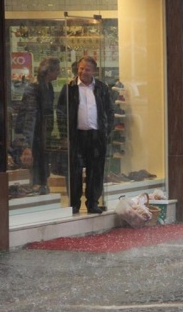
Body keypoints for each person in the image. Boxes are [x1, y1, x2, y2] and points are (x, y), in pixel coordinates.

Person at [57, 56, 114, 214]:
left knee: (95, 170)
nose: (83, 72)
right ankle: (74, 203)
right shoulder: (69, 88)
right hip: (76, 136)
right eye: (81, 68)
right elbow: (61, 113)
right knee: (74, 170)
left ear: (94, 70)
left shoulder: (102, 88)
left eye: (87, 69)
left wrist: (107, 131)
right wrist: (64, 135)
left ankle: (93, 202)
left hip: (96, 136)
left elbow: (109, 111)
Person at [14, 57, 61, 194]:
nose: (58, 73)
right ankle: (35, 186)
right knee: (36, 161)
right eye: (56, 70)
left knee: (42, 160)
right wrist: (27, 143)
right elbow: (30, 115)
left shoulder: (48, 86)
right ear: (49, 71)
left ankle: (41, 184)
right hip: (35, 132)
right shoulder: (34, 87)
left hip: (43, 132)